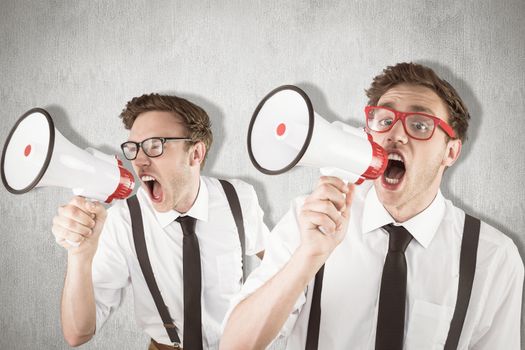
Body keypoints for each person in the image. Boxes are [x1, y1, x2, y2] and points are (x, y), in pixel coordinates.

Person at [220, 62, 524, 349]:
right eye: (384, 119)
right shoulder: (308, 220)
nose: (395, 134)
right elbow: (235, 344)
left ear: (451, 152)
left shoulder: (493, 256)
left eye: (420, 124)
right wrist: (307, 257)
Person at [51, 93, 269, 350]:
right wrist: (80, 255)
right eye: (133, 148)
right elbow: (78, 333)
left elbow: (278, 263)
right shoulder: (123, 221)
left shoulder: (239, 198)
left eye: (155, 145)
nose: (139, 161)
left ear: (196, 153)